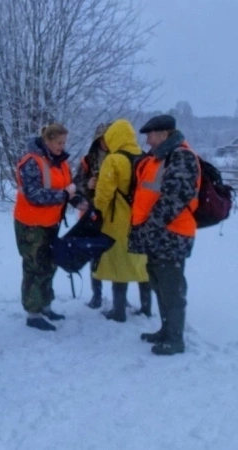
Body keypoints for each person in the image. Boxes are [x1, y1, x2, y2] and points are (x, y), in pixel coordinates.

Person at [129, 114, 200, 356]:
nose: (147, 140)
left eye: (150, 135)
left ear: (164, 134)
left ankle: (175, 338)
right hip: (159, 234)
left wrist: (150, 226)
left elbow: (174, 199)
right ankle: (166, 330)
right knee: (160, 283)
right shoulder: (159, 158)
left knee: (171, 286)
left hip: (172, 234)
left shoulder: (181, 157)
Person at [14, 123, 87, 332]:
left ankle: (45, 305)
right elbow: (34, 195)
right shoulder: (31, 162)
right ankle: (33, 313)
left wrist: (76, 201)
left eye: (64, 142)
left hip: (50, 223)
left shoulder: (61, 162)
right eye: (58, 142)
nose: (62, 146)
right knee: (34, 267)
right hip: (30, 226)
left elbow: (66, 189)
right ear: (47, 140)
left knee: (49, 264)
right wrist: (64, 195)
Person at [91, 119, 151, 322]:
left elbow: (103, 195)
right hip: (142, 219)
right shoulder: (146, 158)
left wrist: (97, 213)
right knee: (142, 264)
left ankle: (118, 311)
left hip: (119, 220)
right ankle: (146, 307)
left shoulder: (114, 160)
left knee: (119, 264)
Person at [73, 122, 110, 309]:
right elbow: (75, 186)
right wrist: (88, 185)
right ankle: (97, 294)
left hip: (115, 214)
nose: (106, 142)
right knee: (95, 256)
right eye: (103, 138)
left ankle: (121, 296)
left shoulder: (123, 158)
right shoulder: (88, 161)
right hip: (93, 214)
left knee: (117, 255)